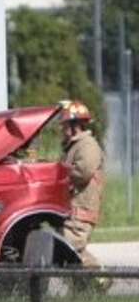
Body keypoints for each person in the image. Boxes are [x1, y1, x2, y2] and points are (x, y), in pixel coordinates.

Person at [58, 100, 108, 287]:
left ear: (75, 125)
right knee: (69, 248)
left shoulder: (87, 145)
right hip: (73, 208)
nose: (62, 129)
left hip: (82, 208)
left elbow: (83, 171)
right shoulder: (74, 146)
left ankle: (101, 279)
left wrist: (60, 174)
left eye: (65, 125)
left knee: (70, 246)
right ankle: (83, 288)